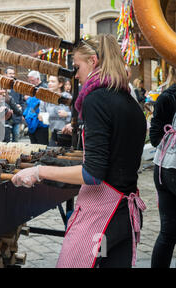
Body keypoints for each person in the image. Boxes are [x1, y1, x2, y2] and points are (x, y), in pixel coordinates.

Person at [12, 34, 147, 268]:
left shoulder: (96, 100)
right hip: (124, 218)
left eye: (77, 67)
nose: (75, 75)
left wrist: (39, 171)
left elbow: (92, 174)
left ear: (93, 61)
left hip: (102, 219)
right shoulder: (129, 101)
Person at [149, 68, 176, 268]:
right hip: (172, 169)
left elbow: (155, 138)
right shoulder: (168, 97)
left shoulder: (165, 97)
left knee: (168, 232)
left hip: (161, 169)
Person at [40, 75, 72, 146]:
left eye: (53, 81)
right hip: (53, 134)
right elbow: (42, 112)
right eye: (49, 81)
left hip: (67, 135)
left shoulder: (68, 97)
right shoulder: (45, 98)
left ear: (60, 84)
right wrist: (41, 116)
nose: (49, 84)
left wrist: (67, 114)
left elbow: (78, 115)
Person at [23, 71, 49, 145]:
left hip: (41, 121)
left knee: (42, 144)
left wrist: (31, 111)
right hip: (32, 120)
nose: (31, 82)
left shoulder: (44, 88)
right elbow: (27, 104)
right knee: (33, 145)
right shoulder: (31, 88)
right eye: (30, 81)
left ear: (38, 79)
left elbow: (41, 104)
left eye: (32, 81)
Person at [5, 67, 25, 142]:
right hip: (5, 118)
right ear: (5, 74)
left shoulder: (17, 87)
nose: (12, 75)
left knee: (16, 138)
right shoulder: (1, 86)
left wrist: (22, 111)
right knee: (6, 140)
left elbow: (22, 101)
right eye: (10, 73)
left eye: (13, 73)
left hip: (16, 117)